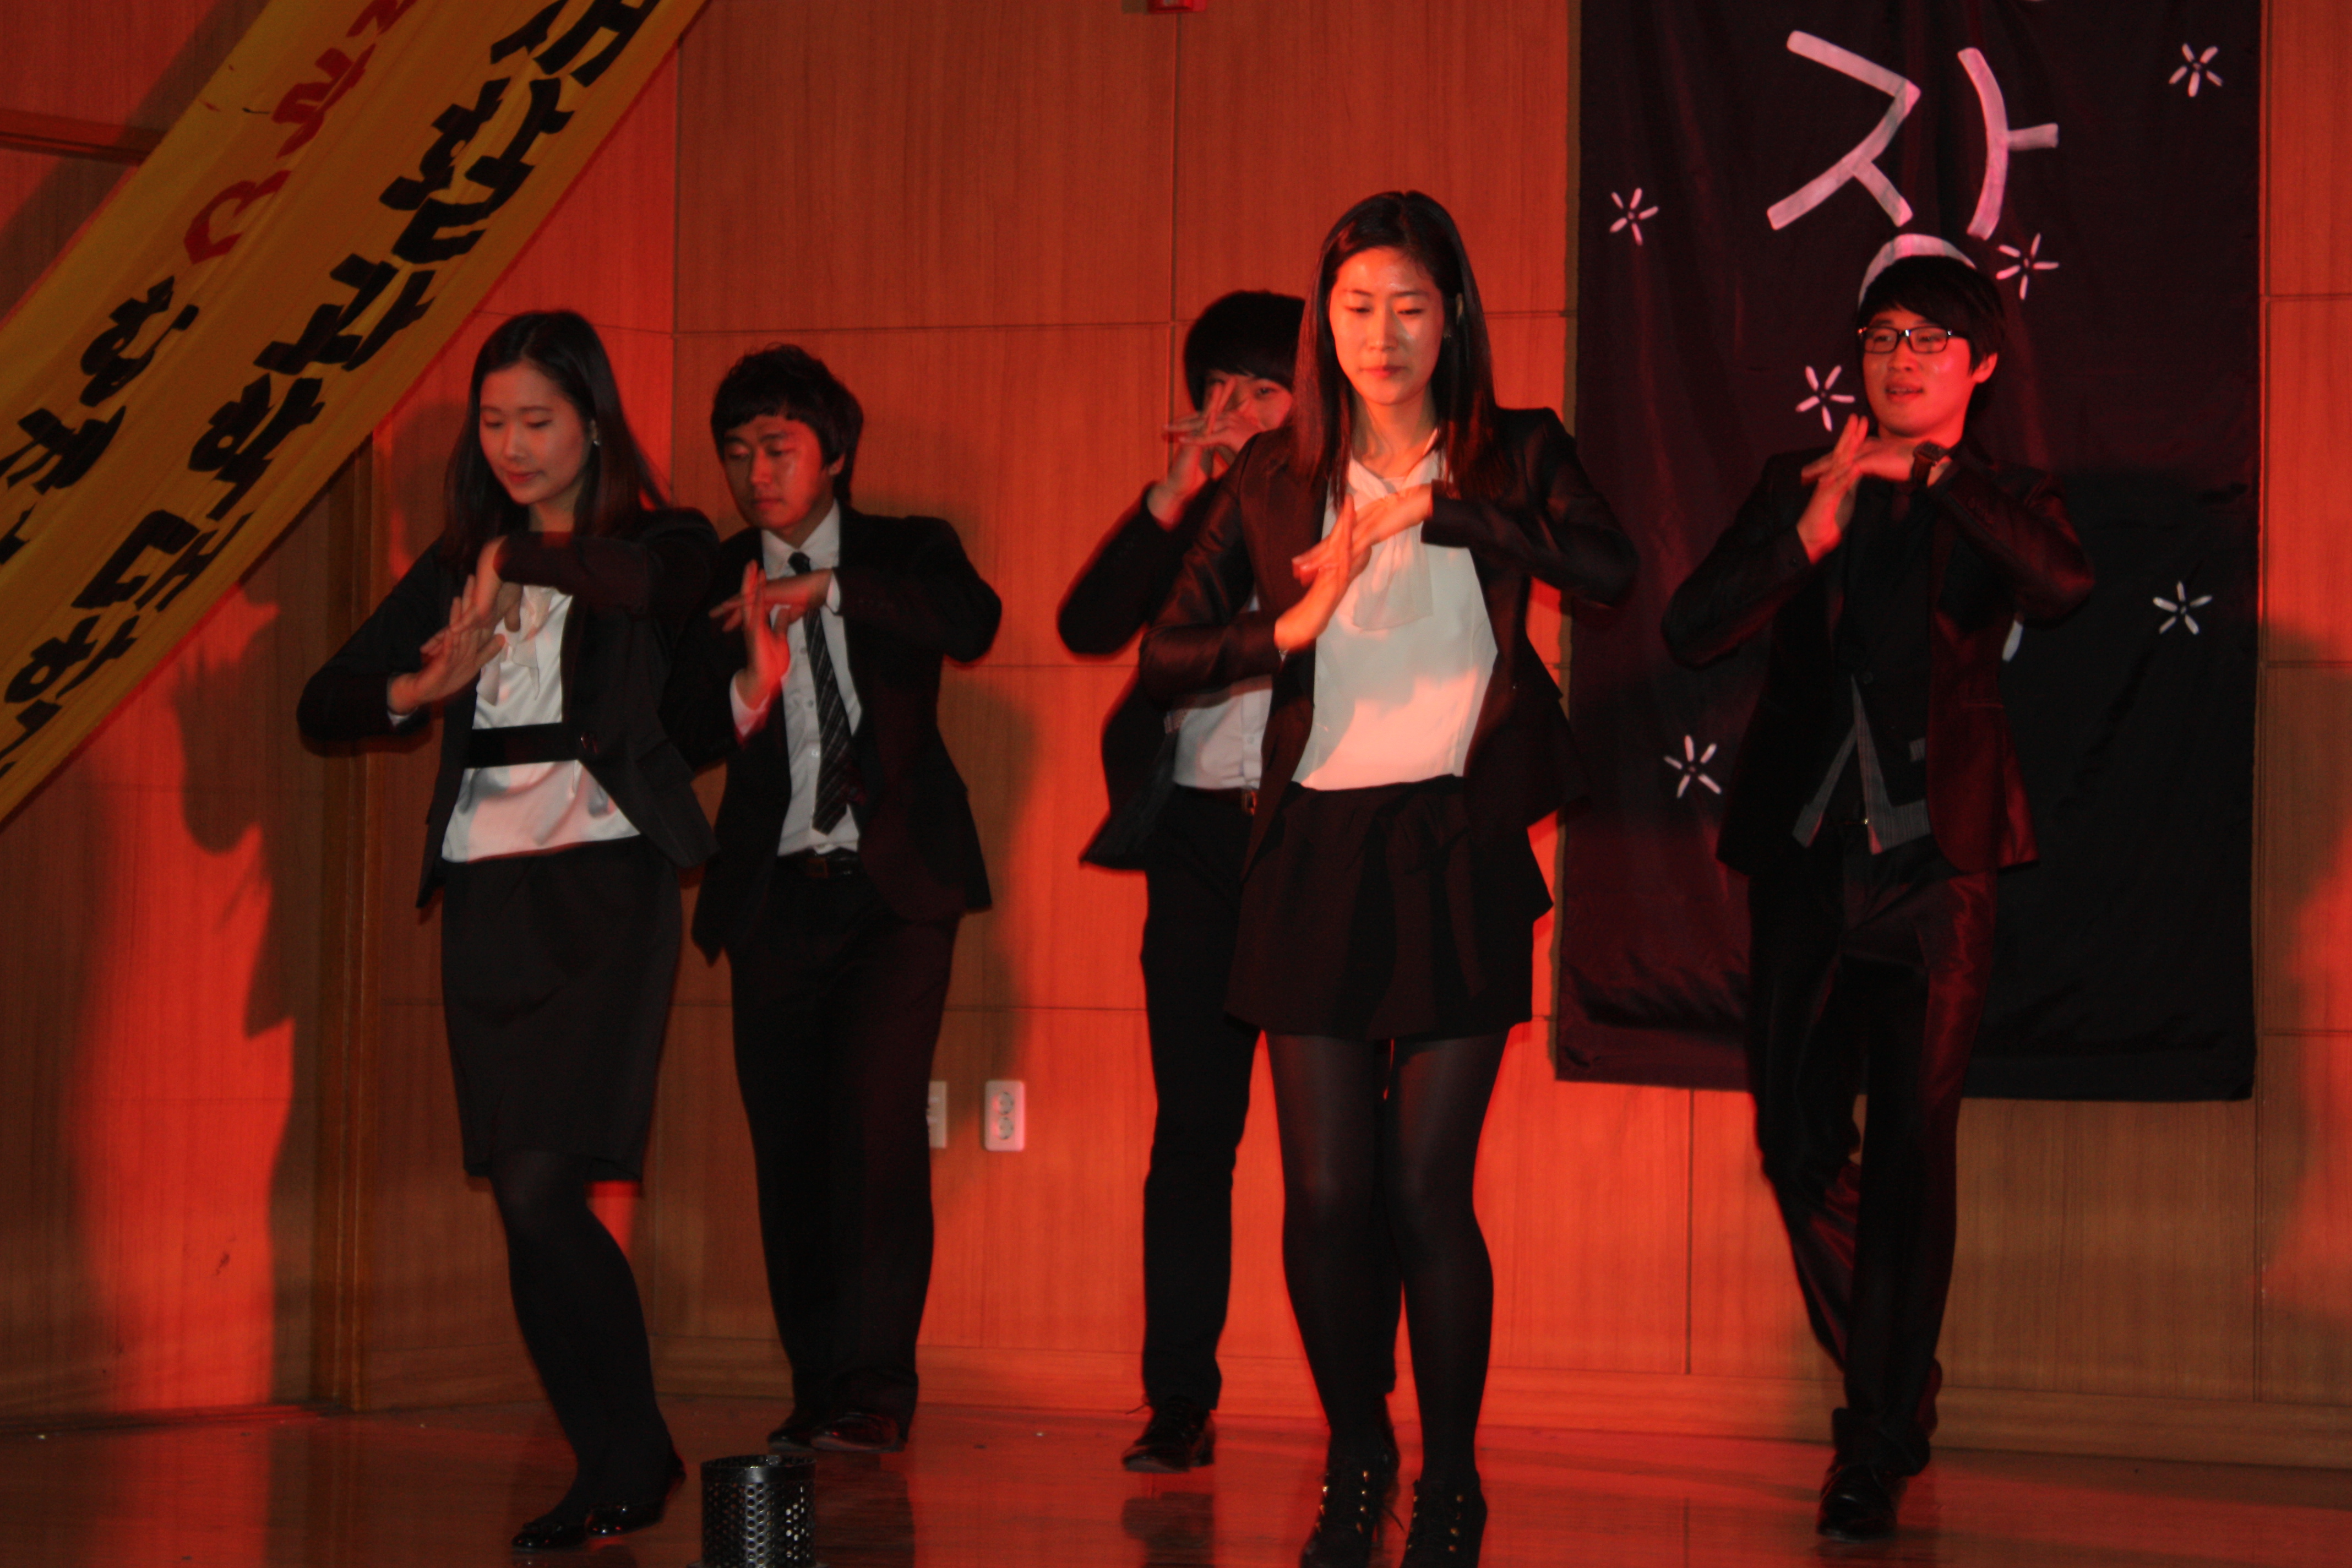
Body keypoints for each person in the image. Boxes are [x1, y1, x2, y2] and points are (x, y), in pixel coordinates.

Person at [1141, 192, 1635, 1568]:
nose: (1383, 332)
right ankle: (1358, 1454)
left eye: (1410, 304)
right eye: (1357, 307)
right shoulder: (1275, 475)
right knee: (1325, 1197)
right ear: (1326, 325)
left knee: (1426, 1188)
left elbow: (1611, 566)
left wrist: (1453, 514)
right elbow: (1166, 655)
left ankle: (1455, 1480)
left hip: (1455, 839)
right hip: (1311, 847)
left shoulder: (1516, 450)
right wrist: (1288, 622)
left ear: (1453, 313)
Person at [1662, 254, 2093, 1541]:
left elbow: (2063, 587)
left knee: (1913, 1147)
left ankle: (1874, 1438)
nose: (1902, 359)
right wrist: (1810, 530)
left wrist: (1941, 477)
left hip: (1939, 866)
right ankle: (1895, 1374)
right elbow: (1690, 627)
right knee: (1797, 1141)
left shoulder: (2008, 494)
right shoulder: (1799, 482)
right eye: (1883, 336)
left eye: (1930, 340)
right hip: (1807, 853)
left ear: (1981, 366)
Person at [297, 310, 718, 1551]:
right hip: (489, 891)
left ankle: (625, 1452)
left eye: (538, 419)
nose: (514, 445)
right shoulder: (455, 561)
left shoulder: (660, 536)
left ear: (593, 420)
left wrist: (517, 558)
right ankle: (617, 1452)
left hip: (607, 886)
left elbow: (654, 586)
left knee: (544, 1183)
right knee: (523, 1197)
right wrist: (415, 688)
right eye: (494, 422)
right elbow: (325, 700)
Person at [1061, 291, 1401, 1476]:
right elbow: (1088, 624)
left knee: (1345, 1147)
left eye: (1261, 389)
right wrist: (1175, 489)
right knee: (1194, 1135)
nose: (1237, 412)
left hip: (1323, 845)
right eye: (1216, 392)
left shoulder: (1359, 502)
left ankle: (1361, 1402)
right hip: (1202, 844)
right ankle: (1177, 1399)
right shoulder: (1201, 517)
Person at [663, 345, 999, 1458]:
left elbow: (972, 619)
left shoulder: (907, 548)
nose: (755, 473)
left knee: (879, 1133)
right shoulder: (716, 579)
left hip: (896, 892)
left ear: (835, 454)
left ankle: (878, 1385)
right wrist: (746, 687)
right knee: (791, 1148)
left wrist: (834, 590)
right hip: (774, 895)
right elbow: (678, 731)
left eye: (778, 448)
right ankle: (817, 1384)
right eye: (737, 453)